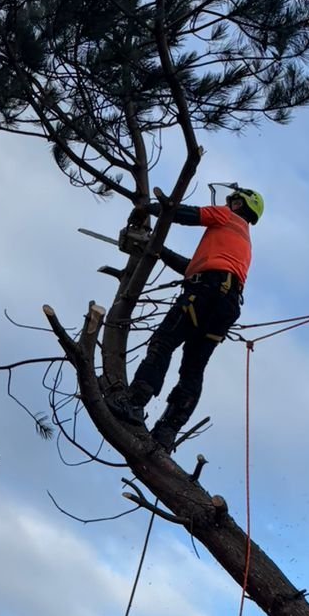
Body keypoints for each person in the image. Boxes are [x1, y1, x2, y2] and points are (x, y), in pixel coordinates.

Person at [107, 186, 263, 453]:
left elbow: (185, 213)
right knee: (193, 368)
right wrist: (155, 249)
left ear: (240, 205)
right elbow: (193, 267)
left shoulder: (226, 217)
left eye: (233, 201)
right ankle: (167, 430)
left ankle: (135, 401)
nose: (229, 204)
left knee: (164, 341)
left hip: (204, 291)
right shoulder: (242, 241)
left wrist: (151, 208)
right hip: (225, 304)